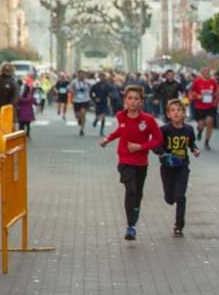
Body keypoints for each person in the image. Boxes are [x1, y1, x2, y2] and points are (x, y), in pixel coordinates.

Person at [99, 85, 163, 241]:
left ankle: (134, 217)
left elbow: (158, 139)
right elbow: (121, 130)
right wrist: (108, 139)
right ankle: (130, 226)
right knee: (131, 190)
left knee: (138, 194)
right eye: (129, 98)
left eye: (136, 99)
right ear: (125, 100)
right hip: (125, 159)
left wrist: (141, 147)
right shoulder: (121, 116)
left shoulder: (148, 120)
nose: (132, 102)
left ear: (141, 102)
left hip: (141, 162)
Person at [154, 99, 200, 236]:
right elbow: (156, 145)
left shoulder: (189, 129)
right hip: (167, 168)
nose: (176, 113)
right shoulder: (164, 130)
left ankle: (179, 225)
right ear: (168, 114)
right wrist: (163, 154)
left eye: (179, 110)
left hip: (182, 167)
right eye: (173, 110)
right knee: (170, 198)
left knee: (180, 196)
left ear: (184, 114)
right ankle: (170, 197)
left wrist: (195, 149)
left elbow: (191, 143)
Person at [189, 67, 219, 150]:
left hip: (210, 106)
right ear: (202, 73)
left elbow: (216, 91)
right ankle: (200, 131)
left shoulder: (213, 82)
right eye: (205, 72)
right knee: (201, 125)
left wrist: (215, 95)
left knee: (210, 122)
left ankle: (207, 142)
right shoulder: (197, 82)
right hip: (199, 106)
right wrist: (197, 96)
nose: (207, 73)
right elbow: (192, 92)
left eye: (208, 71)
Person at [70, 70, 92, 136]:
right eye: (80, 74)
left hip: (85, 100)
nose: (82, 76)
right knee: (77, 115)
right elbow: (69, 88)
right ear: (78, 75)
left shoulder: (88, 82)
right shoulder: (74, 82)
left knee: (83, 113)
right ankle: (79, 119)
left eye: (83, 74)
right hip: (76, 100)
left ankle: (82, 129)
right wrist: (73, 91)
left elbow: (92, 88)